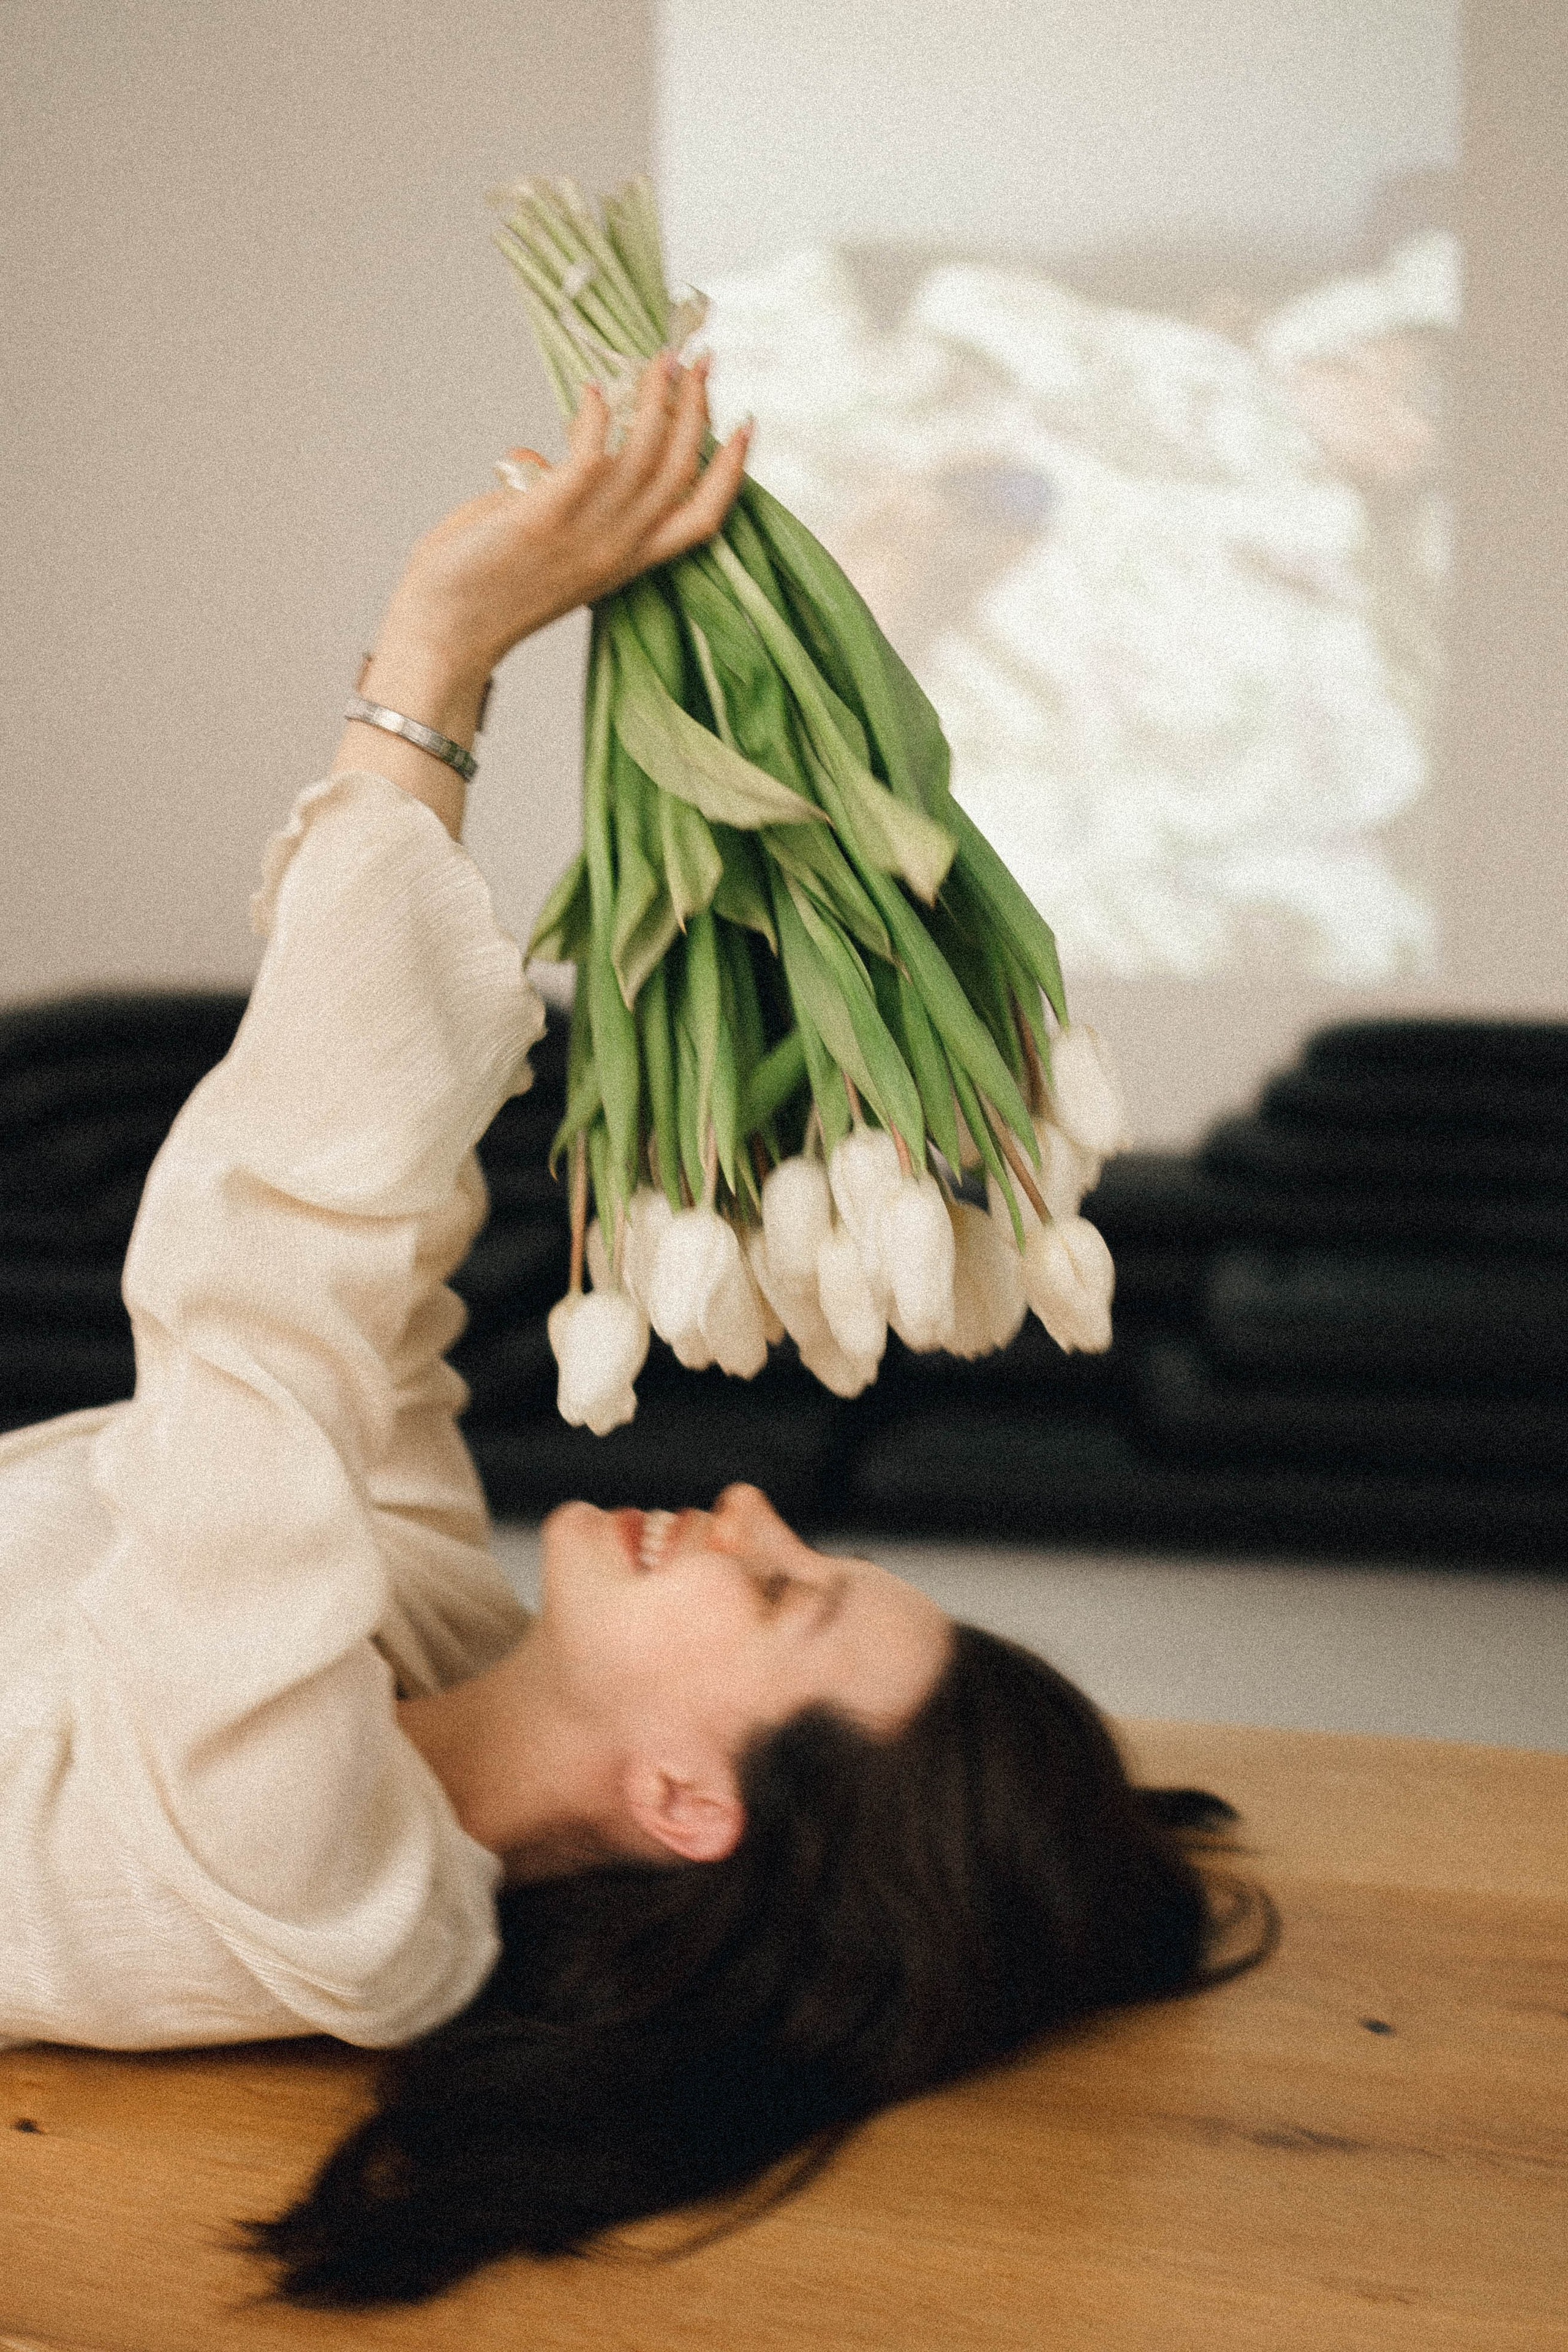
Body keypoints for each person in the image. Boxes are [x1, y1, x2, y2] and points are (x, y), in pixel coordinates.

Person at [0, 348, 1276, 2308]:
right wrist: (486, 691)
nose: (751, 1508)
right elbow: (368, 1289)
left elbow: (267, 1289)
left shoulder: (314, 1867)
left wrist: (434, 658)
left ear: (689, 1805)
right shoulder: (421, 1637)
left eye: (780, 1594)